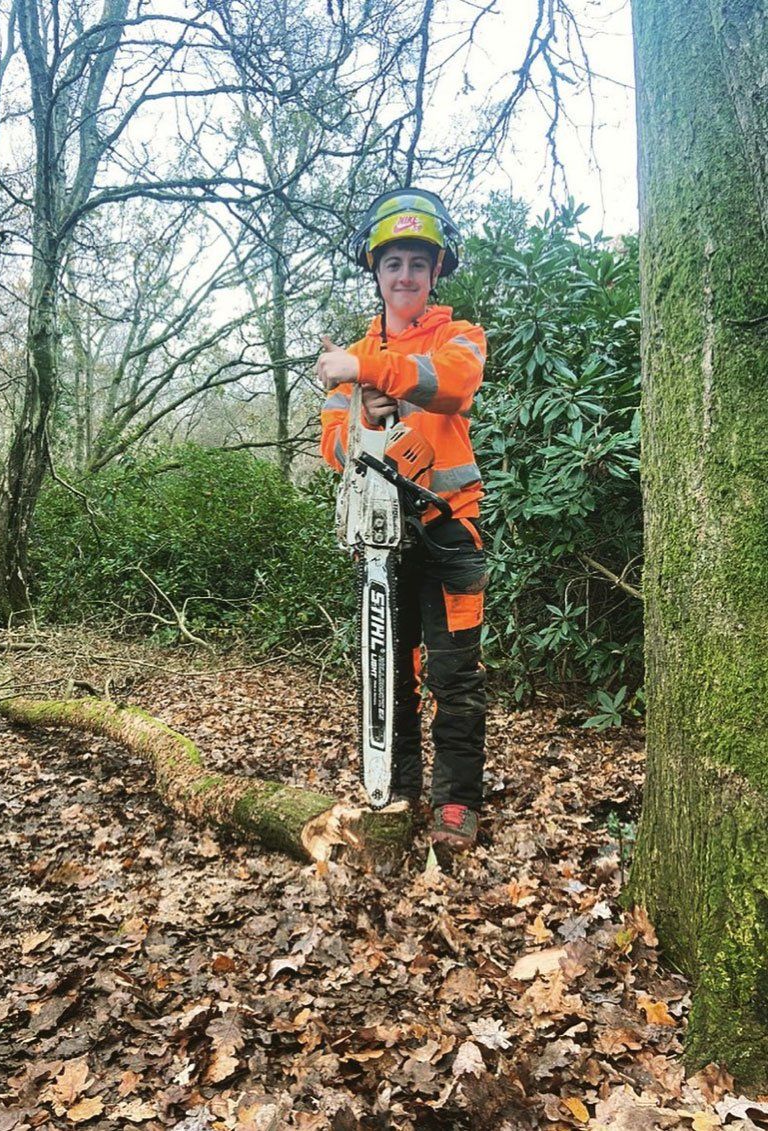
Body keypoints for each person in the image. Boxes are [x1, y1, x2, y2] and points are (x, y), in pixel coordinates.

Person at [317, 188, 488, 852]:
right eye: (394, 263)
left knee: (455, 675)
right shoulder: (350, 359)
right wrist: (363, 416)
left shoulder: (458, 337)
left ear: (436, 269)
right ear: (377, 270)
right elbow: (333, 449)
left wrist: (370, 369)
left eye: (419, 262)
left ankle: (457, 803)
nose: (406, 275)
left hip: (449, 529)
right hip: (380, 537)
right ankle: (399, 789)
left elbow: (452, 384)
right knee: (390, 671)